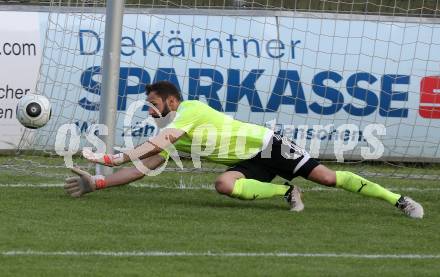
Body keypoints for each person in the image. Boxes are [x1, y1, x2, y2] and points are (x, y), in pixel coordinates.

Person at [65, 81, 424, 219]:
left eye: (154, 102)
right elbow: (144, 165)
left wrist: (111, 158)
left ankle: (398, 199)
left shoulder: (189, 111)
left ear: (172, 100)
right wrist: (98, 183)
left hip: (269, 146)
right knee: (224, 185)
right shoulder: (177, 133)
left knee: (328, 178)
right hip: (246, 161)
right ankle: (286, 190)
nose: (150, 109)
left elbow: (159, 143)